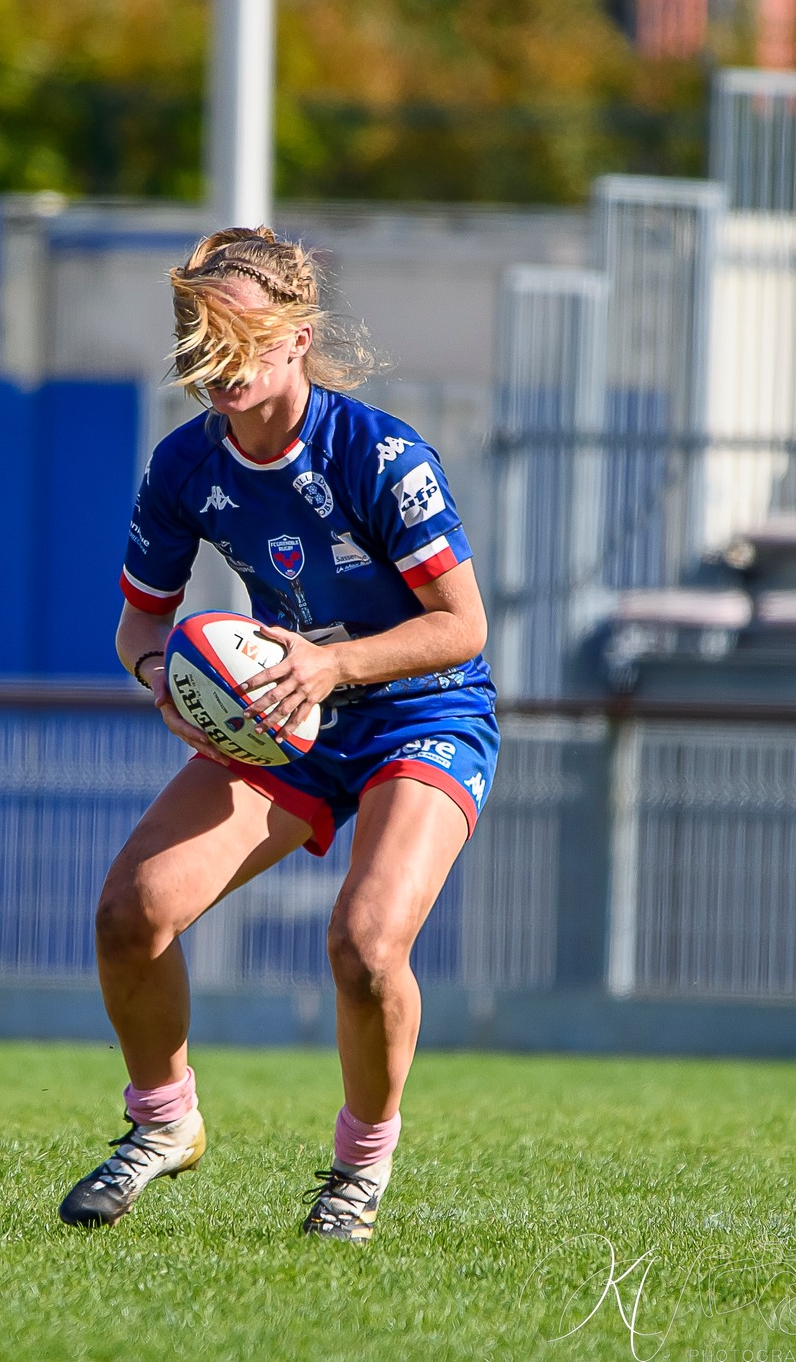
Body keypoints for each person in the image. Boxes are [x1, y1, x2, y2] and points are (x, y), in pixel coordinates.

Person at [56, 228, 496, 1244]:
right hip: (283, 719)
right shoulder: (182, 466)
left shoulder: (380, 455)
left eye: (236, 336)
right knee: (131, 910)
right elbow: (137, 625)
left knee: (362, 943)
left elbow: (460, 626)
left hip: (419, 711)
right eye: (193, 334)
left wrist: (333, 665)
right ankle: (162, 1123)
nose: (212, 360)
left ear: (297, 338)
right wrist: (157, 679)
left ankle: (356, 1169)